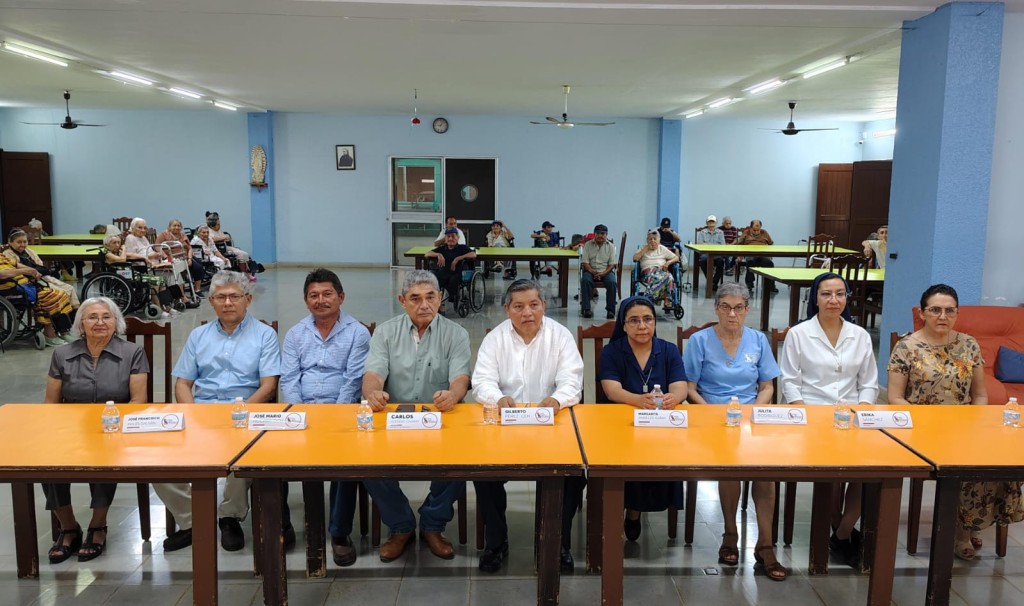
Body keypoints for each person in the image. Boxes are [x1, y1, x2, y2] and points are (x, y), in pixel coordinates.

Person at [888, 284, 1023, 560]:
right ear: (923, 313)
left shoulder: (968, 344)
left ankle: (972, 522)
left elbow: (981, 394)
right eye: (935, 310)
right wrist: (927, 423)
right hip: (922, 429)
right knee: (965, 464)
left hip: (964, 426)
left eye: (950, 311)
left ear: (957, 314)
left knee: (995, 461)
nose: (942, 316)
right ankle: (964, 532)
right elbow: (895, 398)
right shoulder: (907, 346)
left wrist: (975, 423)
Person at [154, 271, 283, 553]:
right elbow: (183, 383)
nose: (228, 303)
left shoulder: (265, 335)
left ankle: (229, 517)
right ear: (211, 301)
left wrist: (238, 413)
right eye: (221, 297)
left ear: (247, 299)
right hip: (201, 413)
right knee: (156, 458)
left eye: (235, 296)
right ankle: (193, 519)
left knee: (247, 452)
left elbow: (268, 386)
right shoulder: (198, 335)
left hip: (245, 412)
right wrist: (193, 415)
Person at [472, 279, 585, 573]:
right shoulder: (495, 339)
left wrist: (557, 400)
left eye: (534, 305)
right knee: (483, 472)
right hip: (504, 426)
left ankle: (557, 542)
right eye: (519, 306)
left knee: (573, 475)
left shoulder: (560, 336)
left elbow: (573, 380)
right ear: (507, 309)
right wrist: (497, 398)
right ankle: (496, 542)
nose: (527, 313)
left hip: (551, 424)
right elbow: (481, 381)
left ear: (544, 306)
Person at [361, 270, 469, 563]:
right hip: (394, 418)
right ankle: (401, 526)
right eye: (415, 298)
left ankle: (433, 524)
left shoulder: (456, 333)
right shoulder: (385, 331)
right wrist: (373, 392)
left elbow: (460, 376)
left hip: (440, 419)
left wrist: (454, 394)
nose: (424, 305)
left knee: (464, 461)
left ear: (440, 297)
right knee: (366, 463)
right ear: (402, 301)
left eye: (430, 297)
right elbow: (373, 372)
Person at [683, 282, 786, 581]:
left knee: (765, 471)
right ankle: (730, 533)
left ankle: (765, 546)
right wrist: (712, 411)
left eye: (739, 307)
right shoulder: (700, 340)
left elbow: (767, 385)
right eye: (726, 307)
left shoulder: (757, 340)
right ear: (716, 308)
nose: (732, 313)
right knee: (730, 466)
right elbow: (689, 388)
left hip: (751, 416)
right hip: (711, 417)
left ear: (747, 309)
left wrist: (752, 410)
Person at [778, 272, 878, 568]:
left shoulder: (859, 335)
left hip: (853, 416)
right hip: (812, 417)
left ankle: (843, 531)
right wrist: (807, 413)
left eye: (839, 293)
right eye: (826, 294)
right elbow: (790, 382)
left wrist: (860, 410)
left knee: (870, 471)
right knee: (833, 469)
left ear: (847, 297)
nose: (833, 300)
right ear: (815, 298)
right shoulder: (799, 333)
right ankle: (842, 533)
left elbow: (870, 382)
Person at [43, 296, 148, 563]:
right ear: (81, 324)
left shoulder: (132, 353)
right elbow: (51, 403)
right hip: (70, 429)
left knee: (107, 452)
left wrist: (114, 426)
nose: (100, 322)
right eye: (92, 317)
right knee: (45, 459)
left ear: (116, 323)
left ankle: (97, 524)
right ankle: (68, 526)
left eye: (106, 317)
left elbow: (137, 401)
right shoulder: (62, 354)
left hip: (114, 427)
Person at [280, 268, 371, 567]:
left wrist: (331, 419)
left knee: (346, 463)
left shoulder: (357, 332)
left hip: (341, 413)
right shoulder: (296, 334)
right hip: (302, 414)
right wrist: (299, 415)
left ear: (341, 297)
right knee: (268, 457)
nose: (321, 301)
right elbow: (290, 379)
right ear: (306, 301)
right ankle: (283, 527)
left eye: (327, 294)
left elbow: (353, 379)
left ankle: (339, 533)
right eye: (313, 296)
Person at [599, 295, 686, 540]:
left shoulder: (668, 350)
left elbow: (680, 386)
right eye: (634, 321)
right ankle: (624, 507)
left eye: (648, 319)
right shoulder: (613, 351)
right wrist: (638, 400)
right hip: (621, 424)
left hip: (661, 423)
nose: (642, 326)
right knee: (629, 451)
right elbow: (611, 390)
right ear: (623, 325)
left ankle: (635, 510)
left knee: (662, 449)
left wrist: (673, 399)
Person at [0, 253, 75, 346]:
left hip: (24, 286)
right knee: (50, 297)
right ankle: (49, 335)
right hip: (10, 290)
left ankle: (63, 331)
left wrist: (32, 270)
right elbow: (2, 274)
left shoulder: (2, 256)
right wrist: (23, 271)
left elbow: (17, 265)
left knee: (60, 294)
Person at [4, 228, 80, 309]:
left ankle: (75, 314)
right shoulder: (7, 255)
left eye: (25, 242)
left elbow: (40, 264)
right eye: (19, 242)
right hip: (29, 282)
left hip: (42, 277)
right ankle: (64, 315)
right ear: (10, 243)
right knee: (61, 292)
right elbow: (14, 271)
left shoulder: (30, 251)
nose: (22, 245)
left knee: (70, 288)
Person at [425, 228, 477, 309]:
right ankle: (436, 302)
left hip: (458, 273)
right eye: (448, 236)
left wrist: (458, 258)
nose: (450, 238)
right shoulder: (442, 249)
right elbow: (427, 254)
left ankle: (453, 296)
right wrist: (438, 254)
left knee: (453, 279)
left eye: (453, 236)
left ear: (458, 238)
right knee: (433, 279)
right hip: (444, 273)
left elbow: (473, 255)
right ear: (445, 239)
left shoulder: (462, 248)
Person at [632, 229, 681, 314]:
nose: (652, 241)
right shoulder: (643, 248)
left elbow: (676, 257)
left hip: (661, 272)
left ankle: (649, 298)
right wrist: (644, 250)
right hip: (647, 272)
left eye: (655, 239)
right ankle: (663, 298)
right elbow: (635, 258)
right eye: (650, 239)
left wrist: (668, 262)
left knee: (669, 276)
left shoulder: (662, 249)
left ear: (659, 240)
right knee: (667, 277)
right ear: (647, 240)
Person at [156, 219, 206, 297]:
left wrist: (189, 258)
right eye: (174, 225)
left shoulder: (182, 235)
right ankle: (181, 294)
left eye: (178, 226)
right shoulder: (164, 234)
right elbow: (157, 247)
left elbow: (189, 248)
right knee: (178, 269)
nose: (176, 227)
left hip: (184, 256)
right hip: (169, 258)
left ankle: (197, 290)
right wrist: (165, 256)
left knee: (198, 267)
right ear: (169, 227)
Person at [206, 211, 258, 280]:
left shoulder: (218, 230)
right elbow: (212, 239)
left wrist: (225, 238)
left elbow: (226, 237)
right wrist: (224, 237)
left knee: (244, 254)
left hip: (225, 247)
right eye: (218, 224)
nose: (220, 226)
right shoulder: (208, 231)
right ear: (212, 225)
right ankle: (244, 276)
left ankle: (247, 274)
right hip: (218, 250)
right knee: (241, 255)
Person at [580, 223, 617, 319]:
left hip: (606, 271)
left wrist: (603, 273)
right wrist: (593, 272)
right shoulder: (588, 245)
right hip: (590, 270)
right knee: (585, 281)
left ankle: (610, 310)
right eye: (598, 233)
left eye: (603, 233)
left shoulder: (611, 246)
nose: (600, 235)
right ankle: (586, 309)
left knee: (612, 282)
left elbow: (612, 264)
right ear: (594, 234)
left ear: (606, 235)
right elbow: (585, 263)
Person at [736, 219, 778, 292]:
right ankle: (749, 284)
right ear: (750, 228)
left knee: (769, 263)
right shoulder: (746, 233)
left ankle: (771, 286)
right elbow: (739, 244)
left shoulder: (764, 233)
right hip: (750, 253)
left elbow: (771, 244)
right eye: (754, 230)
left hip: (763, 254)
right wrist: (739, 256)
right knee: (750, 261)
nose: (756, 232)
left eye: (758, 230)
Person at [695, 215, 726, 290]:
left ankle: (714, 282)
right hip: (706, 254)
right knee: (702, 261)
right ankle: (710, 280)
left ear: (716, 223)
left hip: (717, 254)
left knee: (721, 262)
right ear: (707, 223)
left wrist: (707, 244)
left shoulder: (720, 232)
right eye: (710, 222)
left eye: (713, 222)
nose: (711, 223)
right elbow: (700, 244)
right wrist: (714, 245)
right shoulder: (703, 232)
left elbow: (723, 245)